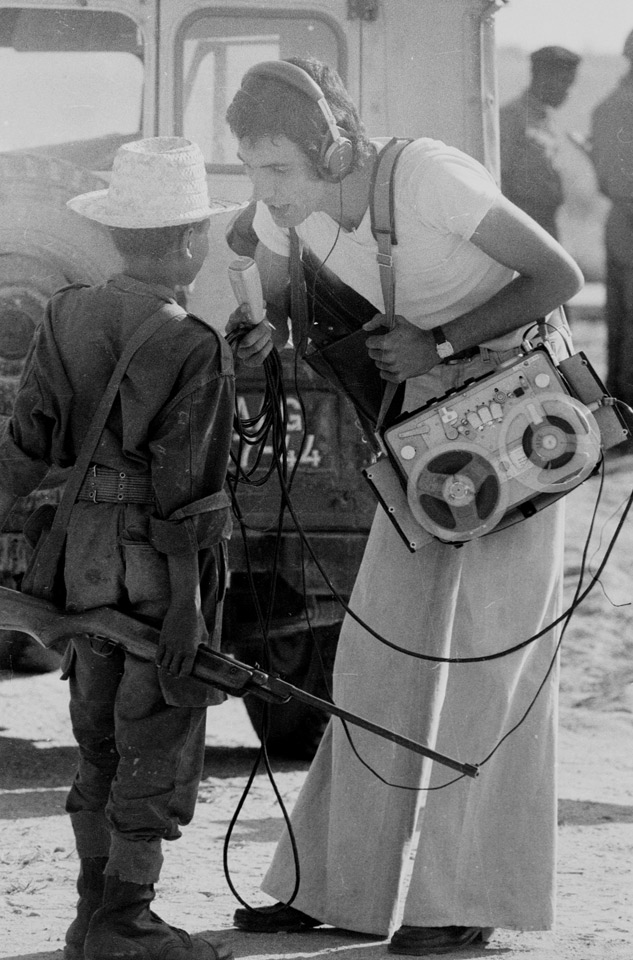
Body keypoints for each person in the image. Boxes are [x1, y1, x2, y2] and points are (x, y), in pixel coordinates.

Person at [224, 57, 584, 955]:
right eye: (253, 168)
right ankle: (332, 884)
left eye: (279, 169)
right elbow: (268, 282)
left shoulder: (426, 175)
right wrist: (259, 319)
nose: (267, 190)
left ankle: (466, 897)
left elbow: (559, 273)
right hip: (427, 437)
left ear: (335, 143)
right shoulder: (285, 204)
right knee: (376, 654)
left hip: (516, 424)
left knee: (491, 662)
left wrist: (442, 340)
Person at [0, 137, 268, 960]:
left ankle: (91, 912)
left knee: (98, 732)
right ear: (189, 241)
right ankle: (127, 920)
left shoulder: (66, 310)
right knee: (158, 728)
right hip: (155, 563)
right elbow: (187, 494)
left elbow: (30, 438)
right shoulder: (193, 345)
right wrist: (188, 606)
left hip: (78, 554)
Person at [589, 29, 633, 424]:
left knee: (621, 319)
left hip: (621, 219)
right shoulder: (620, 108)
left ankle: (621, 407)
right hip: (629, 217)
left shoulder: (609, 107)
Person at [500, 46, 581, 238]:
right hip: (523, 222)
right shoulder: (512, 117)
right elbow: (500, 177)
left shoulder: (546, 118)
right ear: (543, 77)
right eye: (564, 82)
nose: (568, 91)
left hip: (546, 220)